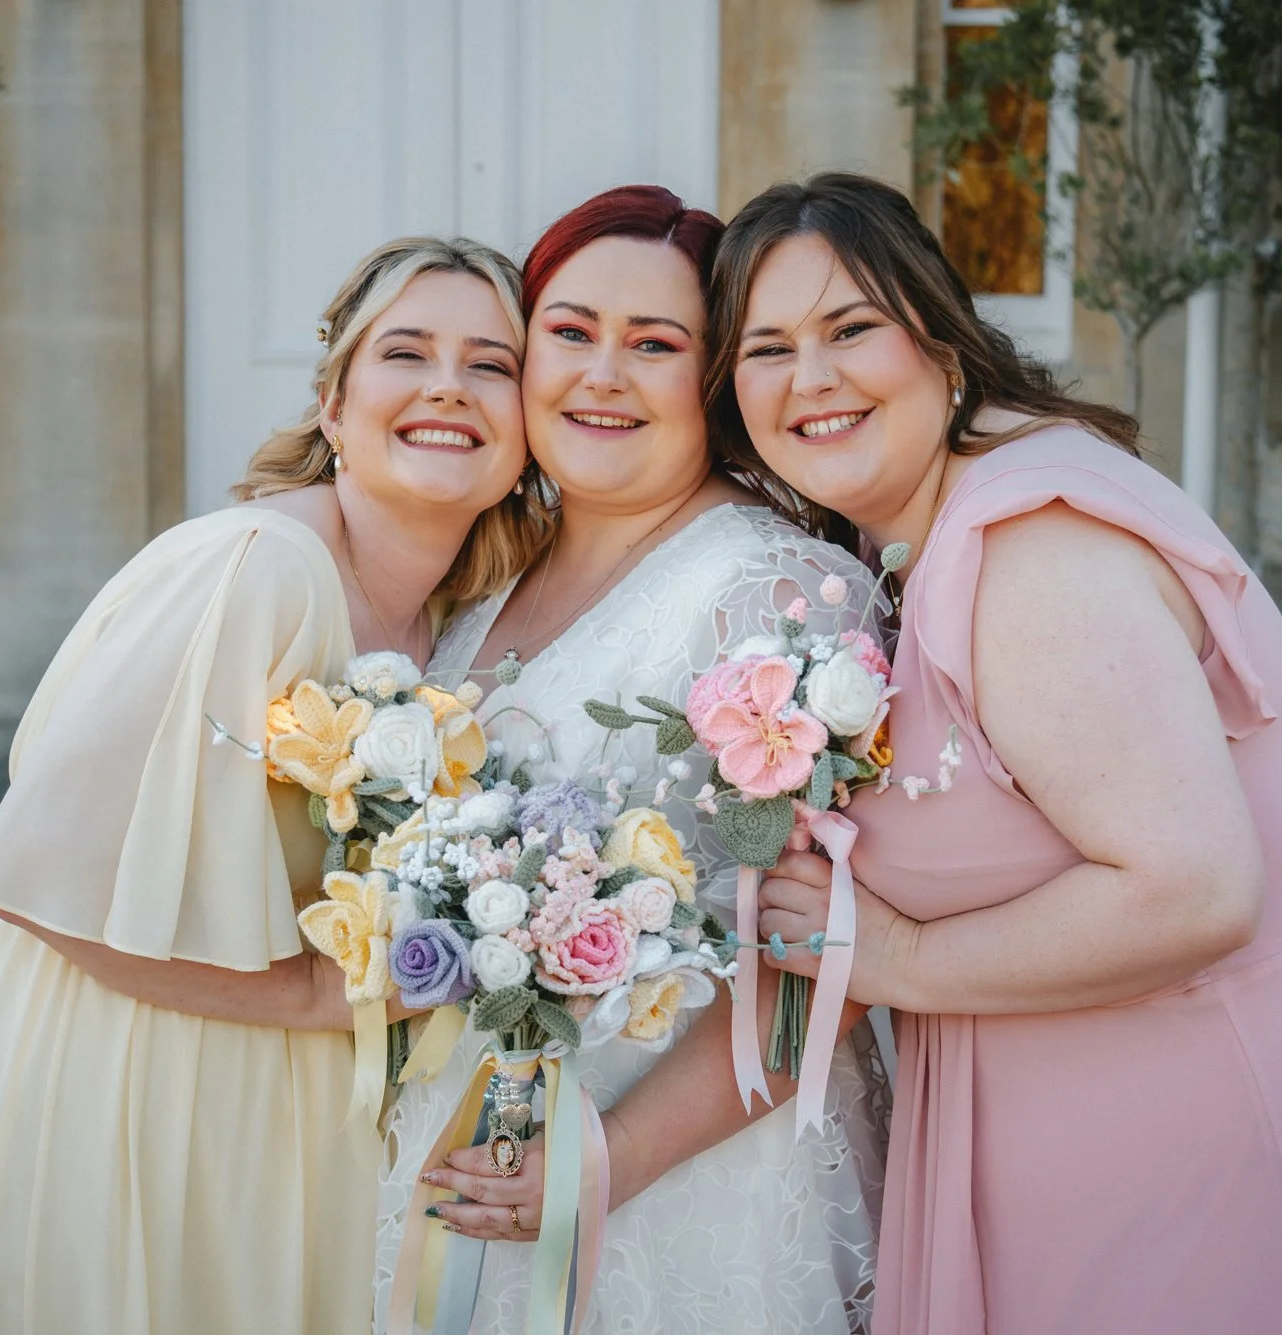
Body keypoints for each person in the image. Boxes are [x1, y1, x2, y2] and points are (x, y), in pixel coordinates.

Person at [718, 172, 1282, 1335]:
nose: (808, 377)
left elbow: (1191, 889)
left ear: (939, 339)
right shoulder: (919, 533)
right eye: (765, 349)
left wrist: (896, 957)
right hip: (1106, 1136)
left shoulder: (1030, 552)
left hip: (1221, 1133)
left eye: (849, 328)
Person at [0, 235, 547, 1335]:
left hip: (274, 1110)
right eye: (406, 352)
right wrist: (309, 998)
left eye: (490, 363)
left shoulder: (453, 624)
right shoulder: (255, 570)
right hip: (121, 1095)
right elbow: (29, 877)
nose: (446, 385)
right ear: (334, 407)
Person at [375, 186, 885, 1334]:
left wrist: (598, 1165)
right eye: (570, 332)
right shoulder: (483, 574)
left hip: (688, 1185)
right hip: (469, 1153)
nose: (600, 374)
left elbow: (825, 969)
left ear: (710, 380)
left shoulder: (771, 593)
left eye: (652, 345)